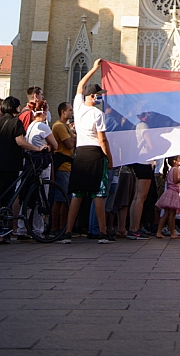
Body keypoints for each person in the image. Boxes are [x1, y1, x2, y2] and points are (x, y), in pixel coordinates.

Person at [61, 59, 113, 244]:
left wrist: (93, 68)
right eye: (98, 95)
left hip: (80, 154)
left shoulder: (78, 107)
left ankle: (67, 232)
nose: (99, 98)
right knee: (98, 194)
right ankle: (103, 233)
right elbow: (102, 139)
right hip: (95, 154)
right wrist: (109, 158)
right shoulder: (98, 114)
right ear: (92, 96)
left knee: (78, 194)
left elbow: (80, 85)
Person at [0, 95, 48, 244]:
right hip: (9, 164)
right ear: (15, 107)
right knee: (5, 198)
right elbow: (20, 141)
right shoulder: (15, 122)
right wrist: (37, 148)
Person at [51, 102, 75, 224]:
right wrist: (73, 139)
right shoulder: (59, 126)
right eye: (70, 110)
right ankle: (55, 226)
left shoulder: (66, 127)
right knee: (61, 198)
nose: (72, 112)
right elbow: (70, 144)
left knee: (66, 198)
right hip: (62, 166)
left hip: (68, 166)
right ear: (63, 112)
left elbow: (74, 139)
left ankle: (62, 225)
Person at [155, 155, 180, 238]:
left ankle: (160, 231)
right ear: (175, 161)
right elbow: (175, 180)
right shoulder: (175, 169)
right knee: (171, 214)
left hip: (170, 192)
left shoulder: (171, 169)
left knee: (166, 213)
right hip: (173, 193)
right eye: (179, 159)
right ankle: (172, 233)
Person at [127, 161, 156, 240]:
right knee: (141, 197)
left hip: (138, 164)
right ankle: (135, 229)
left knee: (137, 197)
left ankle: (132, 228)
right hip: (145, 164)